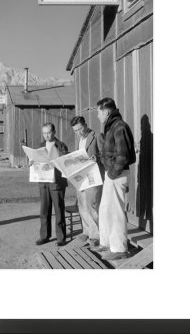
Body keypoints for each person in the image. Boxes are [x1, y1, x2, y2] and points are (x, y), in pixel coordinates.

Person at [94, 98, 136, 261]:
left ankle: (119, 248)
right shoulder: (111, 127)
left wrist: (111, 173)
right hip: (112, 174)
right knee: (105, 209)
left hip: (117, 175)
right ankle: (106, 243)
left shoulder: (120, 127)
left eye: (98, 112)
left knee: (116, 211)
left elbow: (123, 155)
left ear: (106, 111)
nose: (97, 116)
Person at [31, 123, 68, 247]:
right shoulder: (40, 146)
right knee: (44, 210)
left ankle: (61, 238)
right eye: (44, 133)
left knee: (58, 209)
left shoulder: (61, 145)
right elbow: (36, 161)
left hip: (57, 182)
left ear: (54, 132)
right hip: (43, 182)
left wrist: (56, 163)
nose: (46, 135)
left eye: (49, 133)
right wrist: (32, 161)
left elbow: (66, 163)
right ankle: (44, 236)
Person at [70, 116, 104, 249]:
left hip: (93, 176)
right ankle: (86, 231)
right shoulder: (79, 139)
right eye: (75, 130)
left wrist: (98, 158)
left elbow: (104, 153)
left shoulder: (96, 136)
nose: (79, 132)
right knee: (82, 205)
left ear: (85, 124)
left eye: (80, 128)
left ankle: (95, 236)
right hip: (81, 176)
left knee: (92, 205)